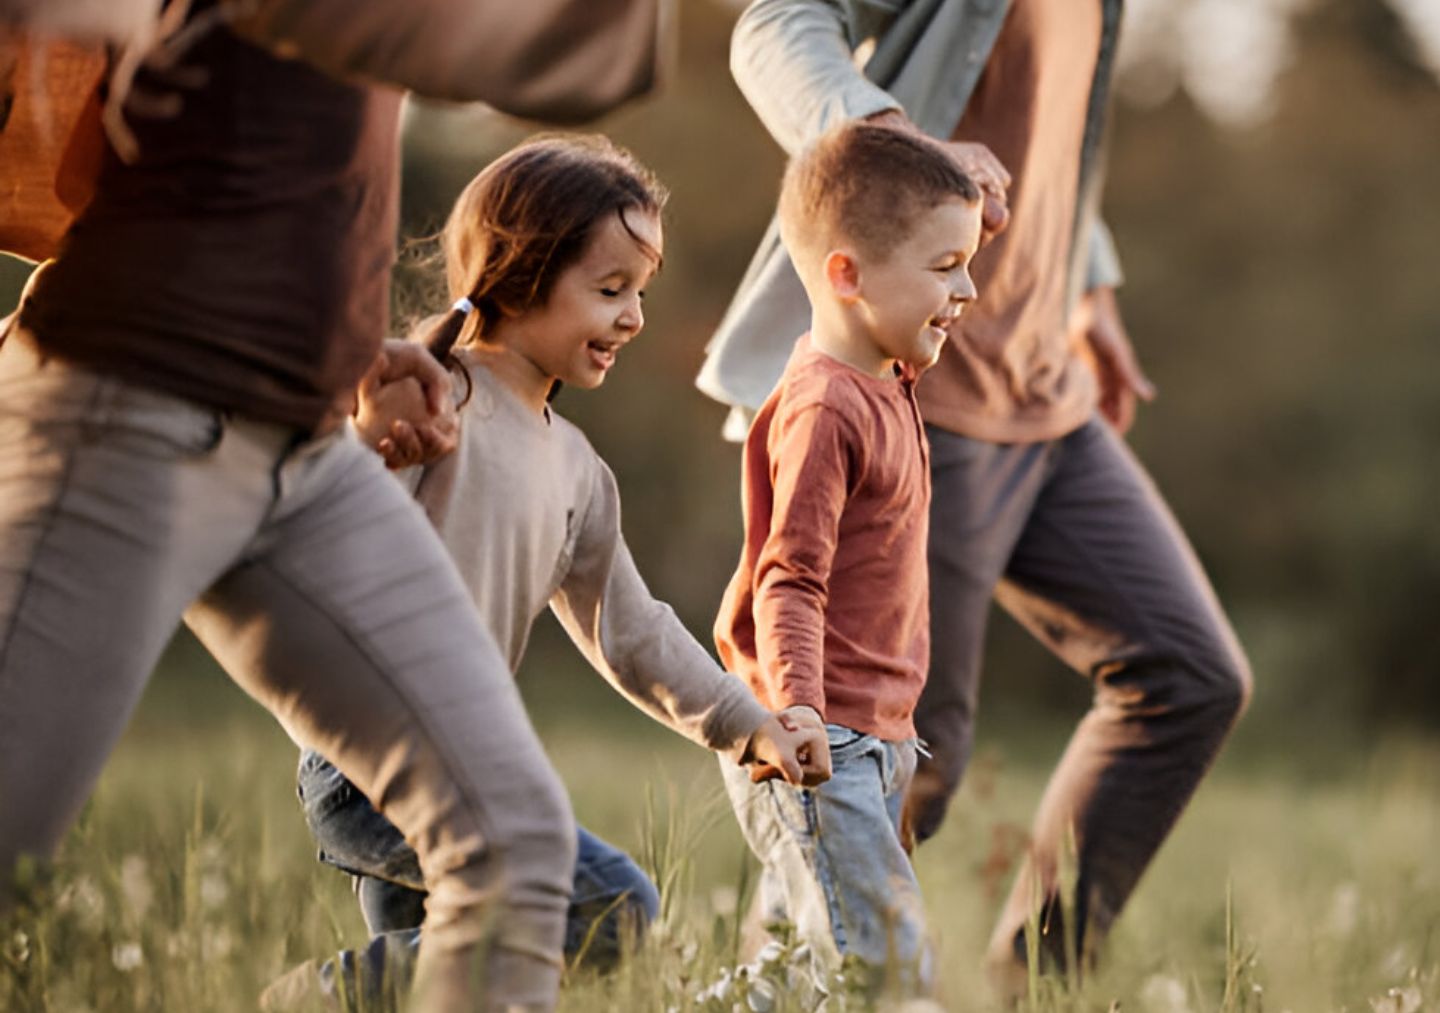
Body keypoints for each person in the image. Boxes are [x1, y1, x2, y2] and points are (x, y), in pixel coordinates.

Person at [0, 1, 666, 1008]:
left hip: (301, 441)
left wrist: (345, 349)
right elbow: (554, 53)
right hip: (126, 408)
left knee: (517, 851)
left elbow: (269, 165)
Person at [696, 0, 1255, 985]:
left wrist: (1089, 289)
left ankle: (1033, 986)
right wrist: (885, 134)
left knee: (1188, 672)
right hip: (918, 403)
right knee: (898, 760)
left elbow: (1045, 140)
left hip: (1047, 387)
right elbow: (776, 22)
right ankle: (796, 988)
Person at [274, 134, 832, 1007]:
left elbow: (635, 630)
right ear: (521, 274)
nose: (634, 318)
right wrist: (367, 439)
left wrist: (747, 721)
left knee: (451, 992)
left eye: (639, 294)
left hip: (459, 756)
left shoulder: (577, 470)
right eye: (610, 291)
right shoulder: (432, 395)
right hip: (371, 755)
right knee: (611, 909)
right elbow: (325, 521)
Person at [713, 121, 981, 997]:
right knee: (889, 969)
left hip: (875, 735)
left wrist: (947, 244)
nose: (968, 288)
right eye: (948, 269)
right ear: (847, 275)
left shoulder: (889, 374)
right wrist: (796, 708)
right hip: (820, 735)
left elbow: (909, 240)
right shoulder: (826, 407)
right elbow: (788, 575)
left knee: (792, 973)